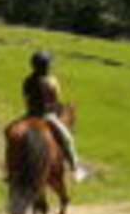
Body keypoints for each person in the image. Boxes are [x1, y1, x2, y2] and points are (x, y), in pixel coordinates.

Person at [23, 50, 87, 182]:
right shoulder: (51, 80)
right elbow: (56, 100)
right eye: (49, 64)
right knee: (68, 139)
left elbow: (26, 99)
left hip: (29, 115)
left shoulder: (27, 81)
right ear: (45, 65)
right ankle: (75, 168)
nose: (51, 66)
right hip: (46, 116)